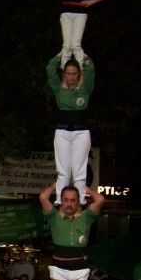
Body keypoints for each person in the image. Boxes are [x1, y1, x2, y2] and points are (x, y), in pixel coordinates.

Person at [45, 52, 96, 205]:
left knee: (79, 170)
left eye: (74, 74)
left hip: (81, 132)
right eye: (68, 73)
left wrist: (82, 55)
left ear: (78, 74)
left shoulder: (85, 88)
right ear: (64, 74)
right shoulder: (58, 88)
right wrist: (60, 56)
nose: (71, 77)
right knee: (63, 170)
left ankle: (80, 200)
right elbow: (49, 69)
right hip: (62, 132)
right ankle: (60, 200)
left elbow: (91, 69)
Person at [39, 183, 104, 280]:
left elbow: (100, 199)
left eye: (73, 200)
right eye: (66, 200)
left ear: (78, 202)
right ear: (61, 201)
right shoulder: (53, 216)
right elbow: (43, 197)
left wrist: (87, 190)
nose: (69, 203)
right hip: (59, 270)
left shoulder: (86, 217)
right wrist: (56, 185)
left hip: (80, 270)